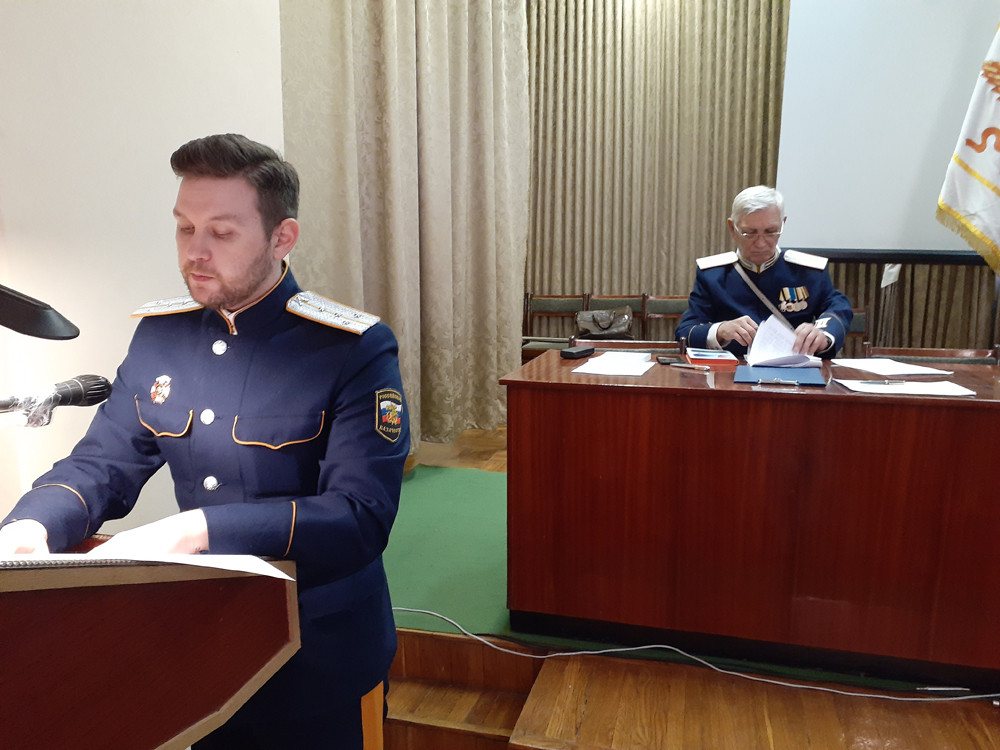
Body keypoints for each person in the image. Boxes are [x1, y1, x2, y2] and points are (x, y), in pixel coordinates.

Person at [0, 134, 409, 749]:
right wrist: (32, 526)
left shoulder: (350, 348)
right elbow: (103, 462)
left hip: (318, 650)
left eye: (221, 233)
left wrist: (196, 530)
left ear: (282, 238)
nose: (195, 251)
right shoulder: (161, 337)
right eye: (185, 228)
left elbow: (359, 516)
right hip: (202, 642)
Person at [676, 185, 853, 357]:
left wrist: (823, 335)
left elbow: (838, 306)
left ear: (783, 224)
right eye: (749, 233)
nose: (761, 243)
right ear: (732, 228)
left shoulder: (807, 271)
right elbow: (686, 332)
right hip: (732, 370)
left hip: (794, 369)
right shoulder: (713, 275)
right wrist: (721, 330)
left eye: (771, 231)